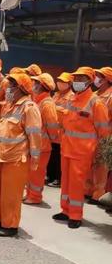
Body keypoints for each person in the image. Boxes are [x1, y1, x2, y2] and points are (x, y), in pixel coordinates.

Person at [53, 67, 109, 229]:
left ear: (89, 81)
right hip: (67, 148)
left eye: (81, 78)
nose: (77, 81)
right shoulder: (72, 99)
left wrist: (99, 151)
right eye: (76, 78)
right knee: (66, 181)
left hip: (82, 151)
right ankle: (65, 210)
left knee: (77, 183)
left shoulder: (95, 102)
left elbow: (103, 130)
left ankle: (76, 215)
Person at [0, 69, 42, 237]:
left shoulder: (29, 107)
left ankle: (10, 225)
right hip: (4, 155)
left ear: (21, 88)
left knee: (12, 194)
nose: (8, 88)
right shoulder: (11, 106)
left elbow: (34, 134)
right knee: (2, 191)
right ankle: (0, 219)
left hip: (17, 157)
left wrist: (35, 158)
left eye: (12, 85)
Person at [23, 73, 59, 205]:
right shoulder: (38, 101)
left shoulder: (47, 103)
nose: (34, 85)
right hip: (35, 145)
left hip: (42, 146)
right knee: (31, 172)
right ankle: (30, 194)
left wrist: (53, 139)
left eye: (36, 83)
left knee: (37, 174)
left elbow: (52, 125)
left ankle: (35, 197)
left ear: (42, 86)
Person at [87, 67, 112, 203]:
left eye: (100, 76)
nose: (96, 78)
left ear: (107, 79)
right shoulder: (95, 95)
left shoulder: (111, 96)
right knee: (92, 164)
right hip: (92, 136)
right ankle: (89, 191)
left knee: (101, 167)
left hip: (106, 137)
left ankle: (98, 195)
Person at [47, 72, 74, 187]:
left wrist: (57, 109)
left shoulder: (72, 97)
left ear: (69, 84)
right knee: (52, 154)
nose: (60, 83)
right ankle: (50, 176)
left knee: (59, 156)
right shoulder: (56, 94)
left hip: (63, 132)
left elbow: (69, 113)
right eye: (59, 81)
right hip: (53, 130)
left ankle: (58, 178)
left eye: (63, 82)